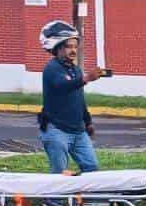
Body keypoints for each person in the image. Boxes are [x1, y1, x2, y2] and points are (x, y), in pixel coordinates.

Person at [37, 21, 102, 175]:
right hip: (56, 130)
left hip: (79, 131)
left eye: (74, 46)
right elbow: (62, 86)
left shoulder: (75, 70)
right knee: (60, 173)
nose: (73, 50)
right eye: (68, 47)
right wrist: (86, 78)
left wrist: (88, 122)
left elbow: (79, 99)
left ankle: (86, 198)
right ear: (57, 48)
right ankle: (54, 200)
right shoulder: (52, 68)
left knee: (91, 168)